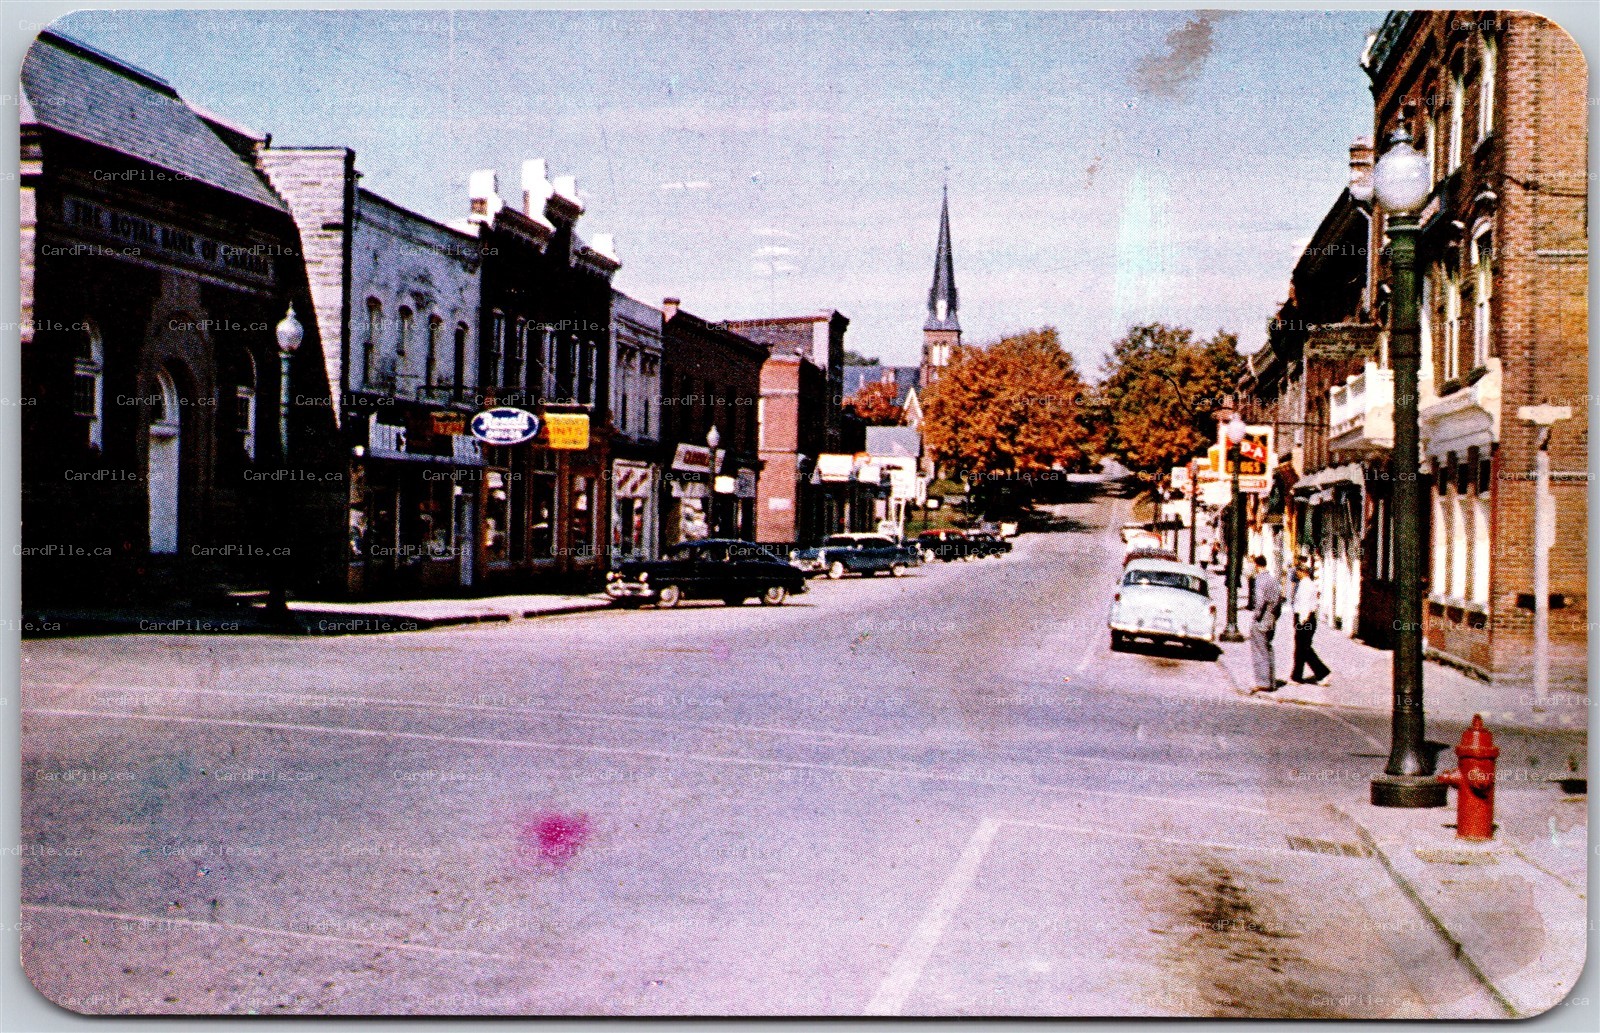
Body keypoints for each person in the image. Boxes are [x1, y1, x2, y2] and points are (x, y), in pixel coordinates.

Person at [1291, 562, 1332, 685]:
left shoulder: (1305, 585)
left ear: (1303, 572)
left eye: (1298, 571)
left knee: (1304, 648)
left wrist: (1301, 621)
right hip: (1307, 619)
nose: (1296, 573)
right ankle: (1297, 676)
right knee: (1301, 648)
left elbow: (1305, 605)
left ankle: (1322, 672)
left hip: (1305, 619)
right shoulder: (1309, 584)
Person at [1248, 556, 1284, 693]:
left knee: (1259, 650)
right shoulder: (1273, 580)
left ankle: (1263, 682)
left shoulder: (1260, 580)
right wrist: (1274, 617)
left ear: (1257, 565)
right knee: (1268, 649)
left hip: (1262, 619)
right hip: (1271, 619)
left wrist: (1255, 616)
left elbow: (1260, 601)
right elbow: (1278, 601)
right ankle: (1271, 681)